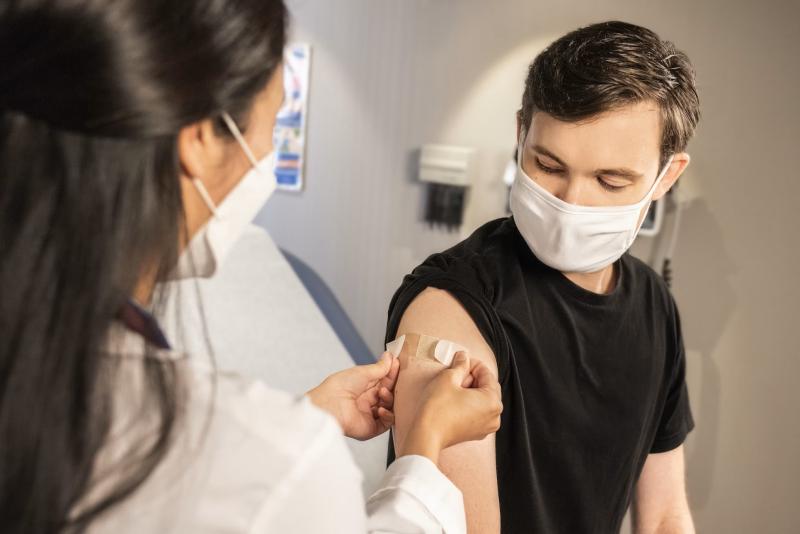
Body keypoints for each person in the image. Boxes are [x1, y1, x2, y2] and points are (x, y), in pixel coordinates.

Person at [0, 1, 503, 533]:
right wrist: (422, 449)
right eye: (279, 119)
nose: (269, 149)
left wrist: (307, 416)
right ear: (197, 138)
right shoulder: (273, 460)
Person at [387, 21, 700, 533]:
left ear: (667, 176)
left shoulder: (654, 305)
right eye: (548, 164)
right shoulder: (451, 305)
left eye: (610, 180)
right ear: (520, 134)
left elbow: (665, 514)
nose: (569, 202)